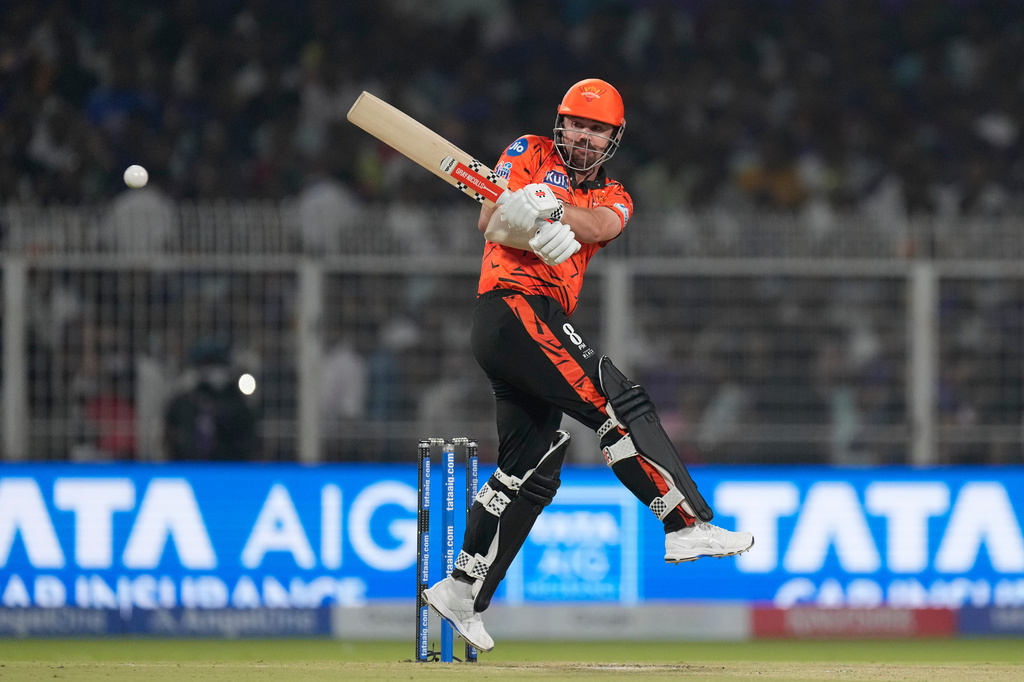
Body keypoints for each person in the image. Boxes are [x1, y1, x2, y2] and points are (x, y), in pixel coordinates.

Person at [422, 79, 755, 652]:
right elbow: (490, 221)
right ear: (560, 124)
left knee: (530, 465)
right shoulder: (528, 152)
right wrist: (528, 217)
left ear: (613, 139)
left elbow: (600, 227)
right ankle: (685, 523)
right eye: (575, 122)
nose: (582, 134)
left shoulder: (615, 196)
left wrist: (553, 212)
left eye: (595, 128)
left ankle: (462, 589)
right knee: (617, 403)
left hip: (532, 319)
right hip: (513, 306)